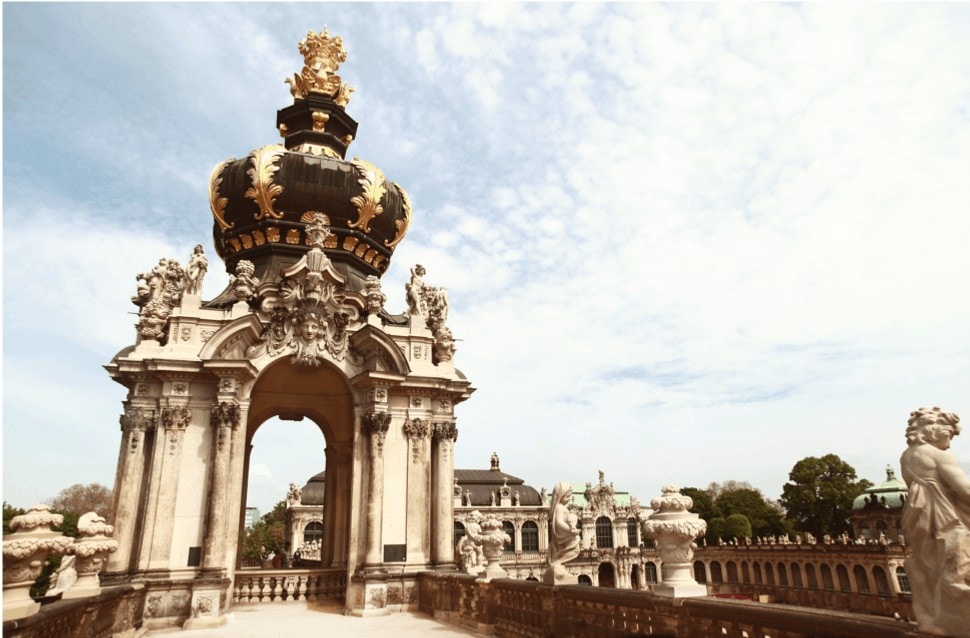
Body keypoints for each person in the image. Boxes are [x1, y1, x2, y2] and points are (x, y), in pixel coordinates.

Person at [900, 407, 970, 637]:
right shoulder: (937, 454)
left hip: (917, 513)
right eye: (949, 433)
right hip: (943, 514)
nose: (950, 441)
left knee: (927, 565)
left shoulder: (907, 456)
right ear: (932, 429)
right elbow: (964, 489)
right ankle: (955, 621)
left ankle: (931, 619)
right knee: (954, 564)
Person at [546, 482, 580, 583]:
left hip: (562, 535)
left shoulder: (559, 507)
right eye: (567, 496)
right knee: (575, 549)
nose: (569, 499)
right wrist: (571, 530)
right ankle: (557, 563)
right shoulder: (560, 508)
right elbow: (559, 523)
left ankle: (557, 563)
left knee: (575, 548)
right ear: (560, 495)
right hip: (562, 535)